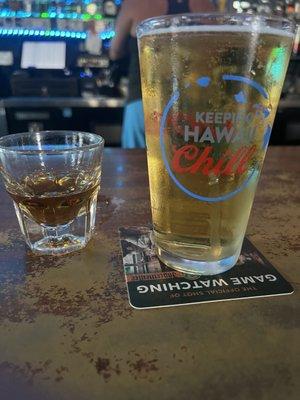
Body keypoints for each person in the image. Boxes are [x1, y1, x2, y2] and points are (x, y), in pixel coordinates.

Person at [110, 0, 215, 148]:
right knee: (189, 159)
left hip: (143, 99)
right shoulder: (205, 4)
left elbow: (115, 51)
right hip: (193, 103)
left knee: (134, 161)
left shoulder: (133, 4)